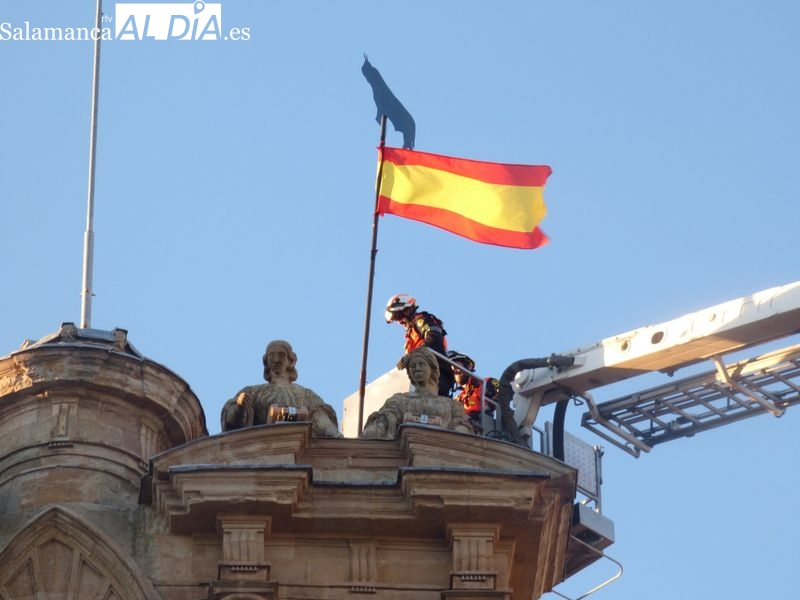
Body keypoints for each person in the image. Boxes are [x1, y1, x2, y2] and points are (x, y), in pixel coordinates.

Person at [221, 339, 343, 438]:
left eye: (281, 355)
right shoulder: (254, 392)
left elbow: (319, 414)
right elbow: (232, 423)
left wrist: (332, 432)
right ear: (266, 361)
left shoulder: (305, 394)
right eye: (271, 355)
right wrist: (239, 406)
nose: (276, 360)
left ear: (291, 360)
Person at [361, 347, 473, 439]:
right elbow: (380, 424)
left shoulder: (452, 406)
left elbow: (463, 431)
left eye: (422, 364)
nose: (417, 369)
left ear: (432, 369)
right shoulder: (399, 400)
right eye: (412, 366)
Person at [384, 293, 454, 397]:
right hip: (424, 371)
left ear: (407, 310)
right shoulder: (411, 334)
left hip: (436, 371)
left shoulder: (422, 320)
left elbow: (433, 339)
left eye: (399, 317)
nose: (399, 322)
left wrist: (411, 356)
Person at [447, 350, 523, 444]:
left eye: (456, 365)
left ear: (468, 366)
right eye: (452, 368)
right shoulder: (458, 398)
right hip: (461, 425)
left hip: (478, 428)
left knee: (457, 431)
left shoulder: (484, 383)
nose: (455, 370)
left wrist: (489, 407)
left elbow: (506, 391)